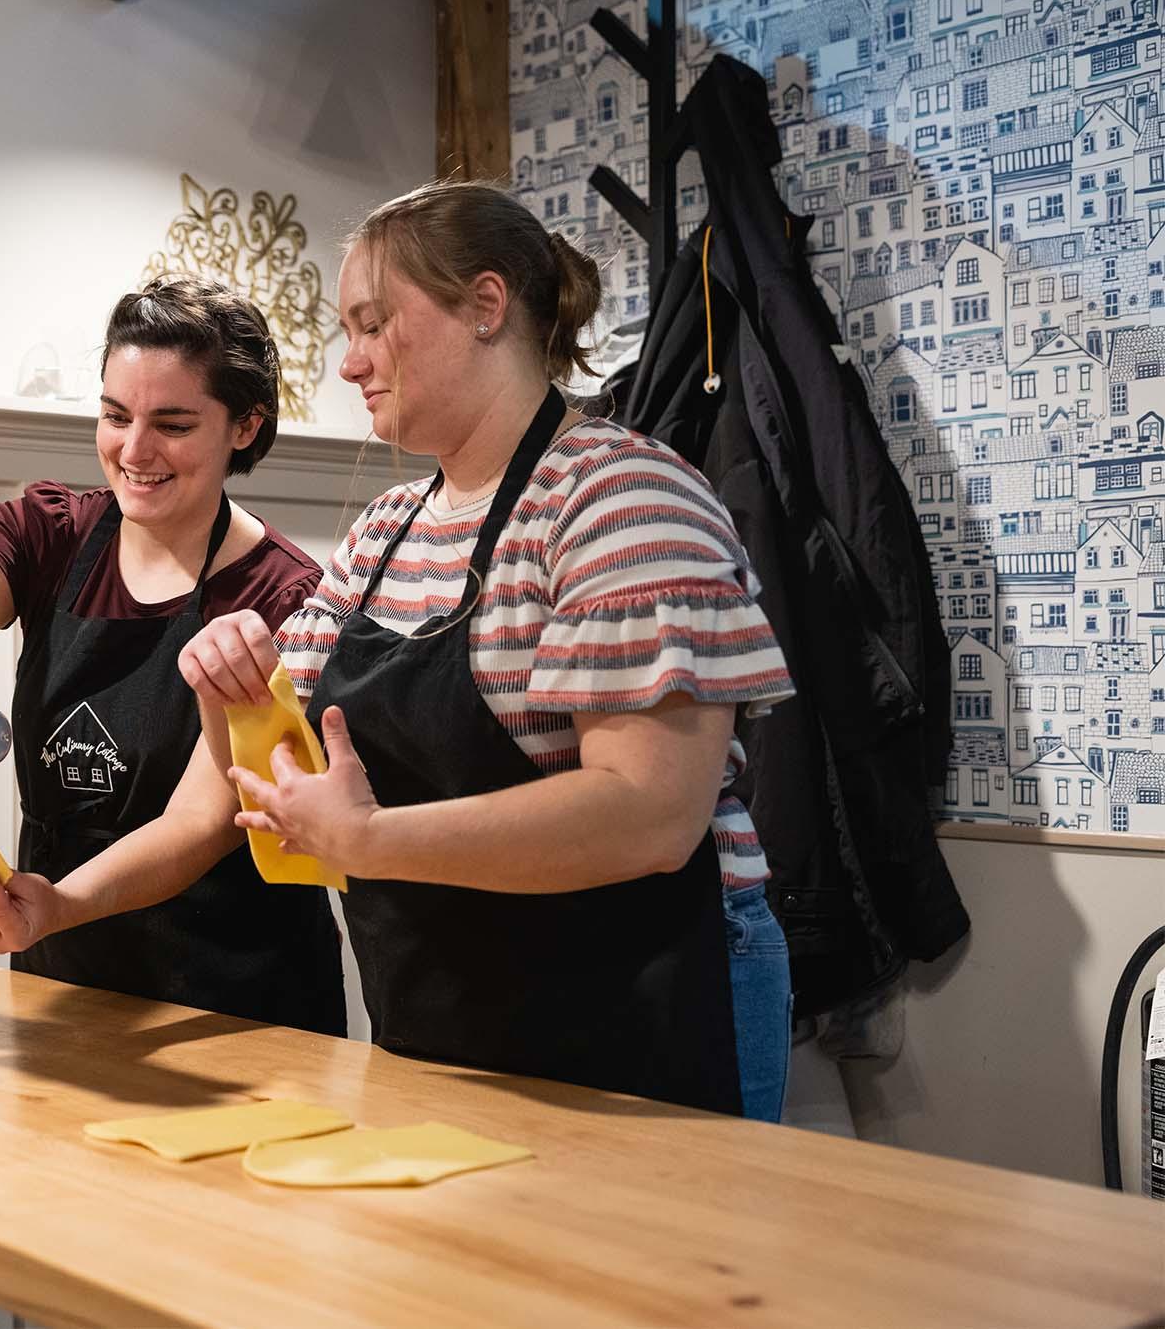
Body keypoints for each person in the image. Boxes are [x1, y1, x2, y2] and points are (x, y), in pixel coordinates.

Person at [174, 181, 796, 1114]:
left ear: (486, 305)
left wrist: (374, 839)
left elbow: (651, 815)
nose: (350, 364)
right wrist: (224, 683)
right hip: (444, 1021)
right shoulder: (387, 529)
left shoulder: (620, 497)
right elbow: (275, 761)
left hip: (640, 1008)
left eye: (374, 324)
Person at [0, 276, 346, 1036]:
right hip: (62, 982)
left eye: (173, 424)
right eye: (115, 415)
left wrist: (62, 903)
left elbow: (200, 821)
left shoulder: (284, 596)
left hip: (234, 1009)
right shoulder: (50, 532)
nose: (134, 449)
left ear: (245, 426)